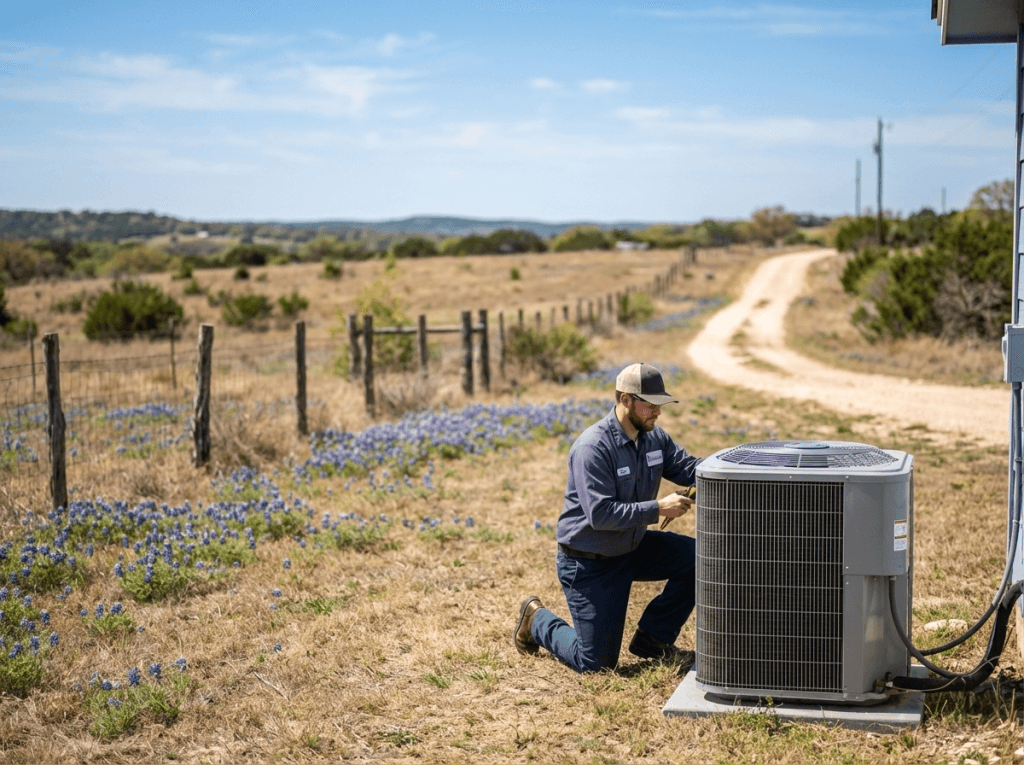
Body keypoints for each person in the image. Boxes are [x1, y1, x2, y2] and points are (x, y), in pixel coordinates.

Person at [513, 362, 699, 673]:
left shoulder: (654, 439)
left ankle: (653, 639)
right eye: (650, 405)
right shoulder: (593, 447)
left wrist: (731, 468)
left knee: (699, 557)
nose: (658, 412)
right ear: (626, 399)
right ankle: (536, 620)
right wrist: (658, 508)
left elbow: (691, 469)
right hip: (590, 562)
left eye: (660, 405)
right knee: (596, 664)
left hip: (632, 547)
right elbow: (600, 515)